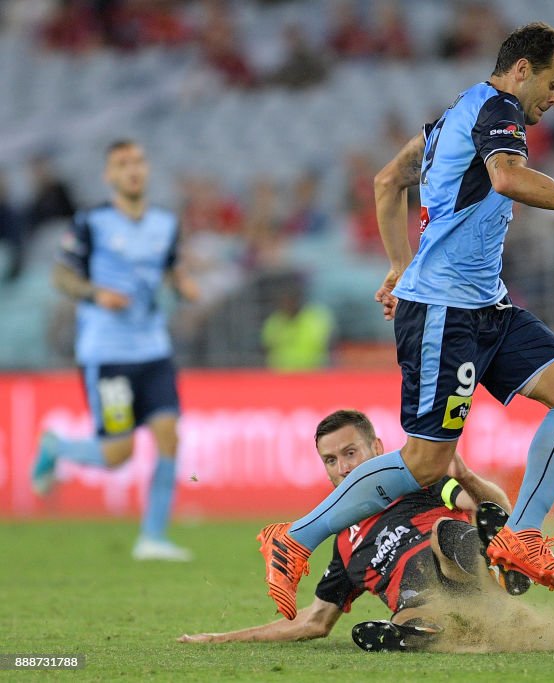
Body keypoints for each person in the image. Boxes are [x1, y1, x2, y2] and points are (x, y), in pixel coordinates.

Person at [257, 22, 554, 620]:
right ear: (522, 70)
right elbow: (509, 177)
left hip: (484, 305)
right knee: (426, 463)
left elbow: (388, 181)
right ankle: (295, 539)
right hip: (445, 310)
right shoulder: (496, 109)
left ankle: (522, 536)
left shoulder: (451, 118)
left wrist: (397, 264)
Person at [179, 410, 527, 651]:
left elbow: (491, 506)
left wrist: (464, 476)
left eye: (350, 453)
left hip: (460, 567)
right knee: (411, 610)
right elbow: (313, 622)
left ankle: (496, 562)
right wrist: (222, 639)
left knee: (445, 532)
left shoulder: (418, 483)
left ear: (376, 448)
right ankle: (422, 633)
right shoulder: (344, 546)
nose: (343, 468)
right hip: (432, 604)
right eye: (330, 460)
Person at [31, 139, 200, 562]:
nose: (132, 170)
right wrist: (94, 294)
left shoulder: (165, 223)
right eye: (122, 164)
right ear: (109, 175)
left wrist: (182, 283)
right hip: (109, 355)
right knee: (117, 454)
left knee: (169, 435)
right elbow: (60, 274)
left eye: (138, 161)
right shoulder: (92, 222)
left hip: (154, 350)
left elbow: (171, 267)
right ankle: (56, 447)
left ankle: (153, 538)